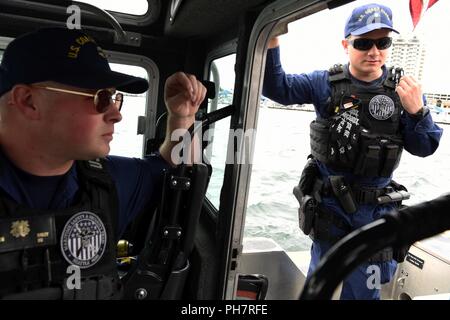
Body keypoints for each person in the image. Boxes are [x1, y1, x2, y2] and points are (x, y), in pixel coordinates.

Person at [0, 27, 206, 299]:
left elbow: (174, 169)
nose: (115, 115)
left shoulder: (108, 181)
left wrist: (181, 117)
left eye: (115, 98)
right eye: (101, 98)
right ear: (29, 101)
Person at [263, 3, 443, 299]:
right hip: (330, 210)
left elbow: (426, 147)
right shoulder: (324, 83)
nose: (374, 51)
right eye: (363, 43)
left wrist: (417, 111)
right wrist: (272, 36)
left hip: (375, 213)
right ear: (346, 44)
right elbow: (276, 87)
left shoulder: (405, 90)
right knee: (319, 287)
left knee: (364, 296)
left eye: (382, 42)